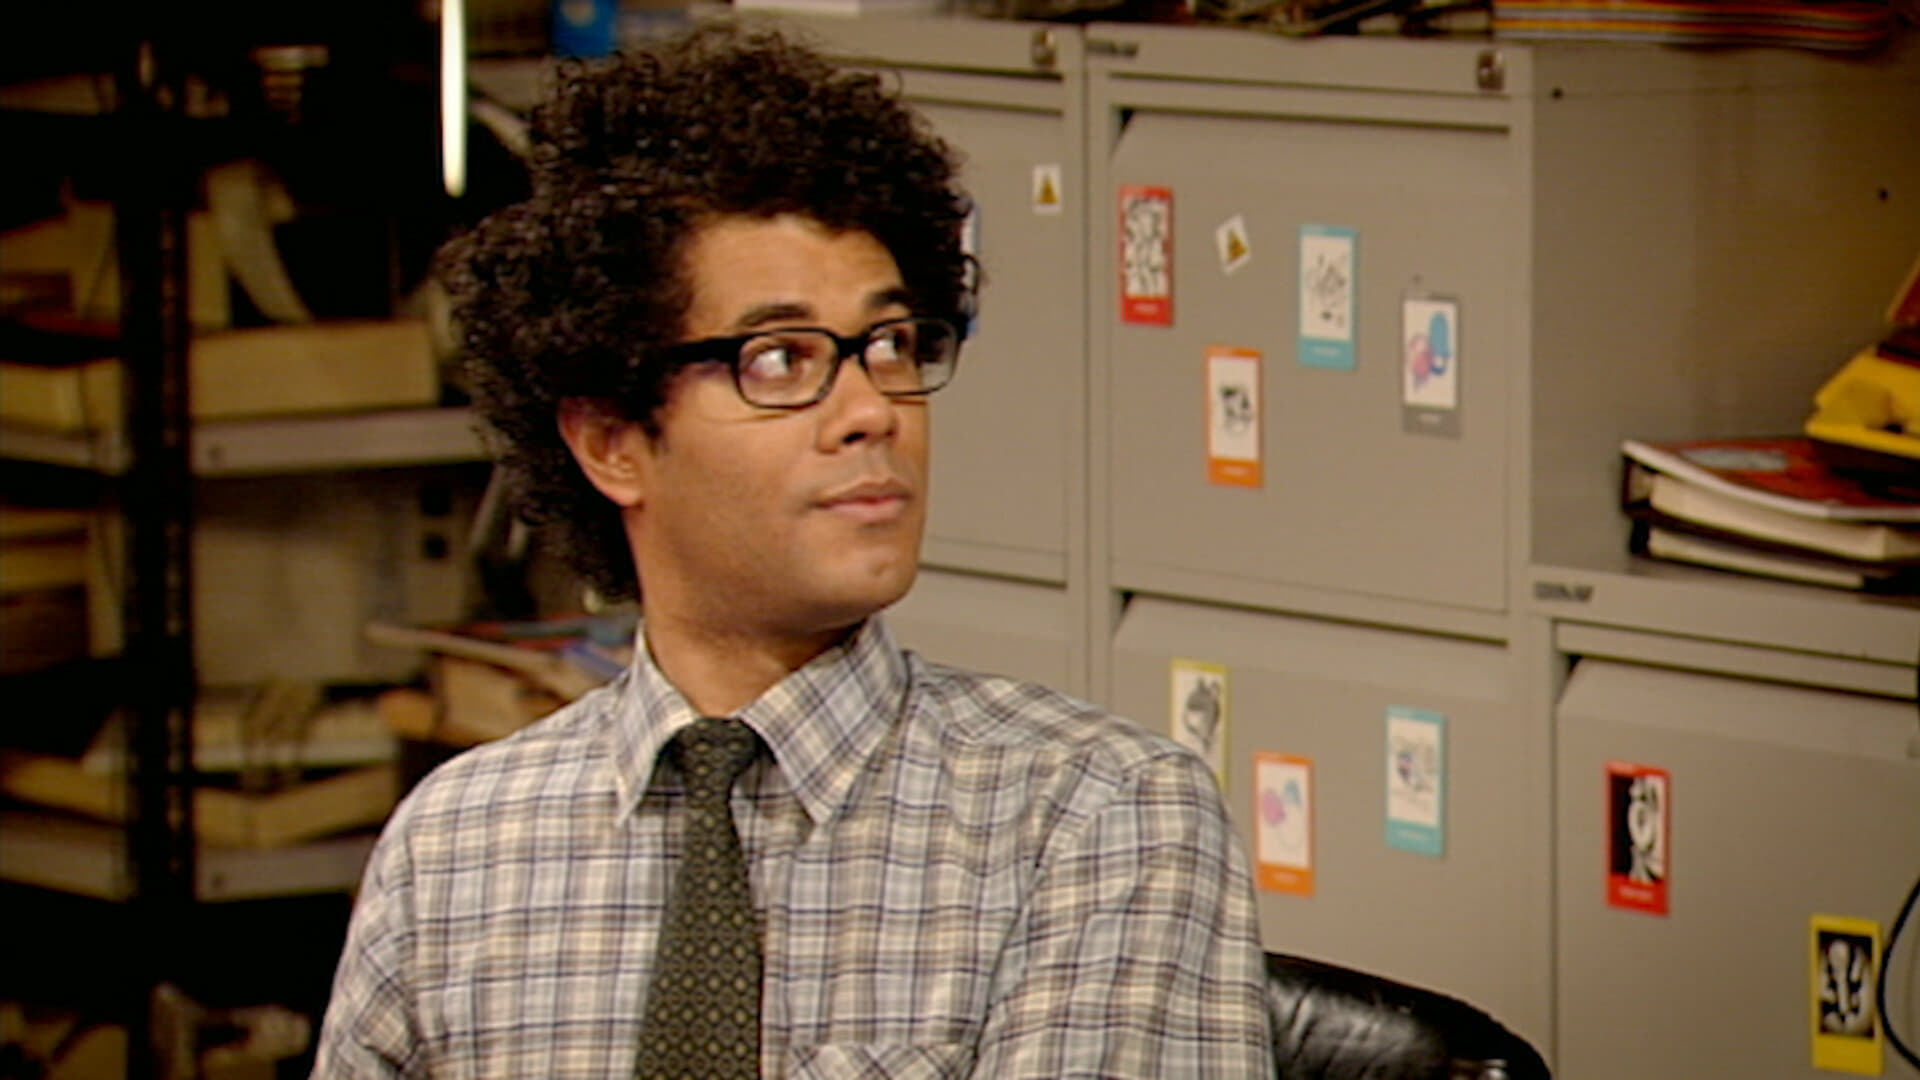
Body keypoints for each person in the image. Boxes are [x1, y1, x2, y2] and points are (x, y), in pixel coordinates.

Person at [313, 22, 1273, 1078]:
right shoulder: (455, 849)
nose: (871, 410)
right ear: (612, 441)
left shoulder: (1093, 817)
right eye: (780, 360)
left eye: (890, 345)